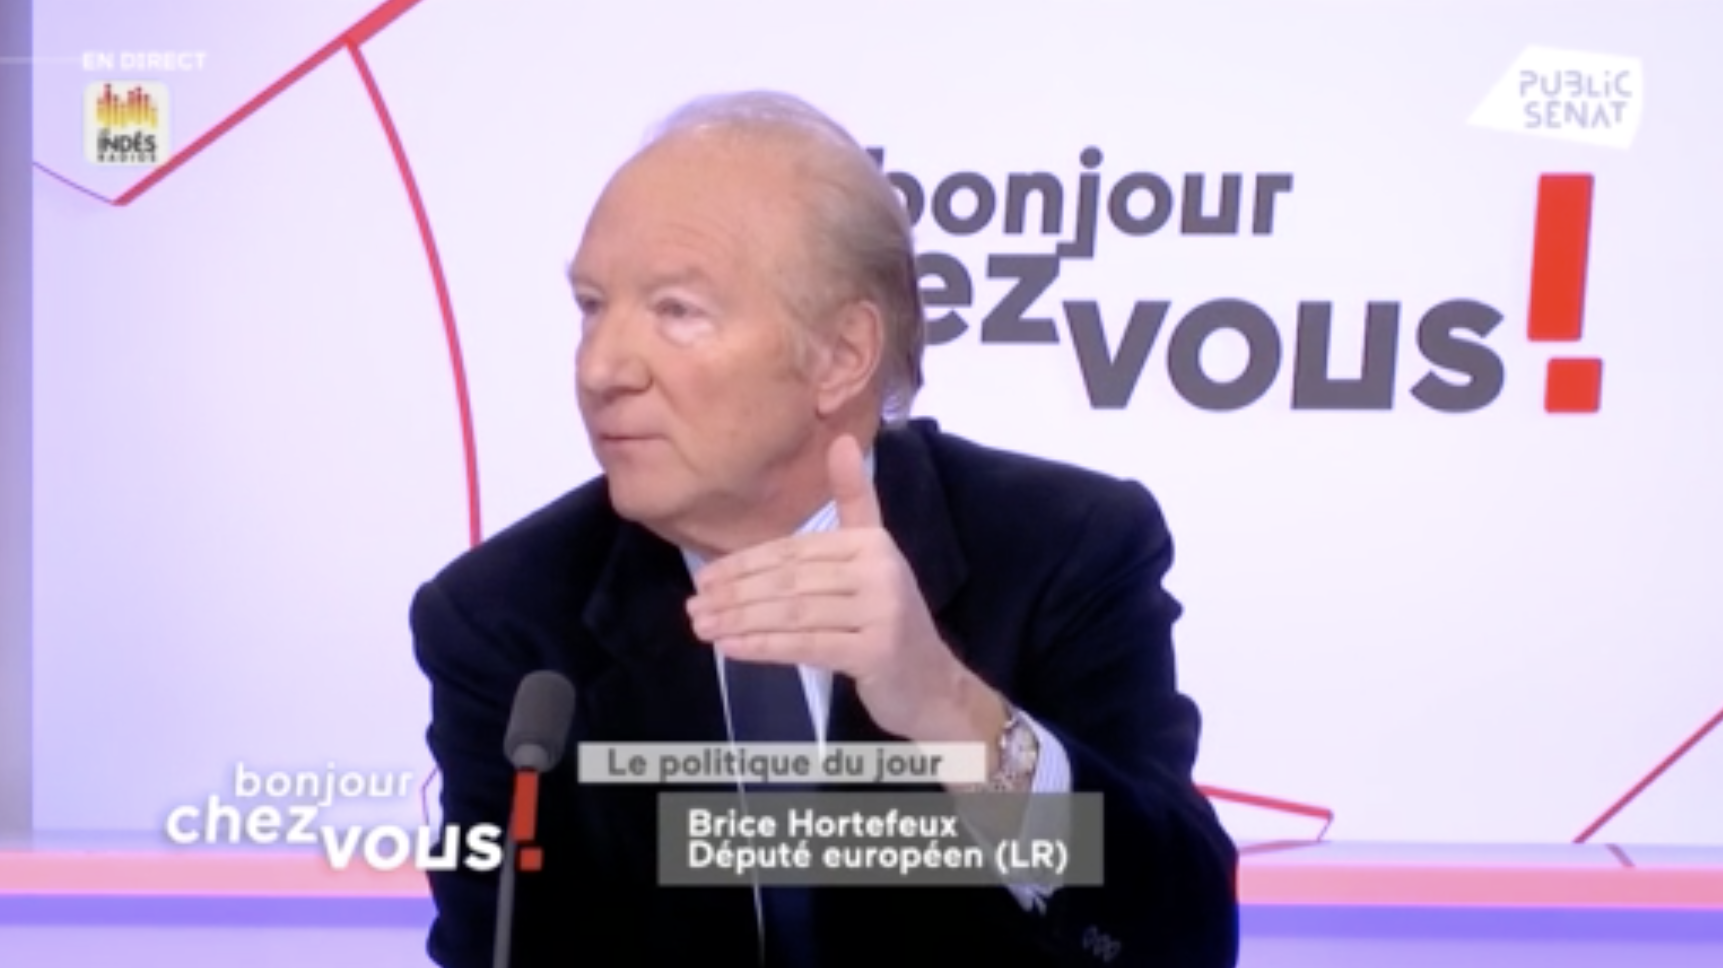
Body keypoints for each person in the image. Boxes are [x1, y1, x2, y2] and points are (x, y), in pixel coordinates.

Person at [411, 89, 1238, 967]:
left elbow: (1178, 941)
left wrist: (952, 713)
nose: (601, 368)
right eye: (590, 305)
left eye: (676, 310)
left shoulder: (1062, 547)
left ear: (842, 356)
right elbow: (497, 946)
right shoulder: (505, 620)